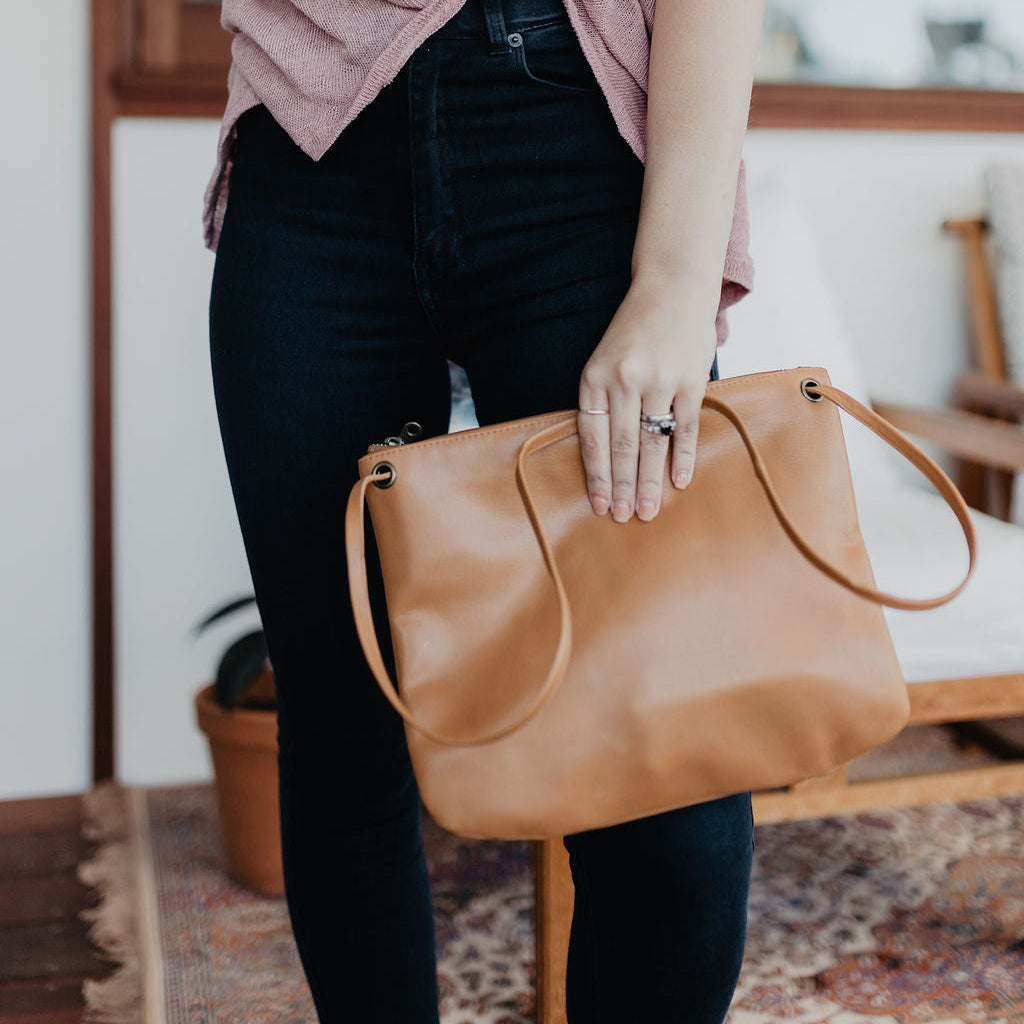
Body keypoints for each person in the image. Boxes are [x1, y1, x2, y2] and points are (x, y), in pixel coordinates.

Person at [204, 0, 766, 1020]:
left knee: (664, 760)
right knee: (340, 736)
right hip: (310, 145)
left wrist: (678, 282)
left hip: (573, 140)